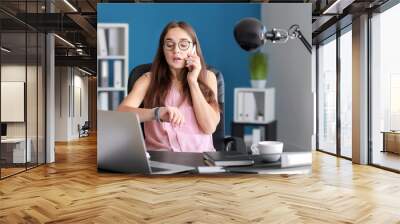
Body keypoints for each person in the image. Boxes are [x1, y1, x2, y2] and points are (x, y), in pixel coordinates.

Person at [118, 21, 220, 153]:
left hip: (200, 159)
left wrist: (193, 81)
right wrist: (156, 113)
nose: (176, 50)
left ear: (193, 48)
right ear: (163, 49)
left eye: (183, 45)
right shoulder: (148, 79)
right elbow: (121, 114)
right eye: (170, 45)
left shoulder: (208, 77)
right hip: (160, 158)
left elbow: (209, 127)